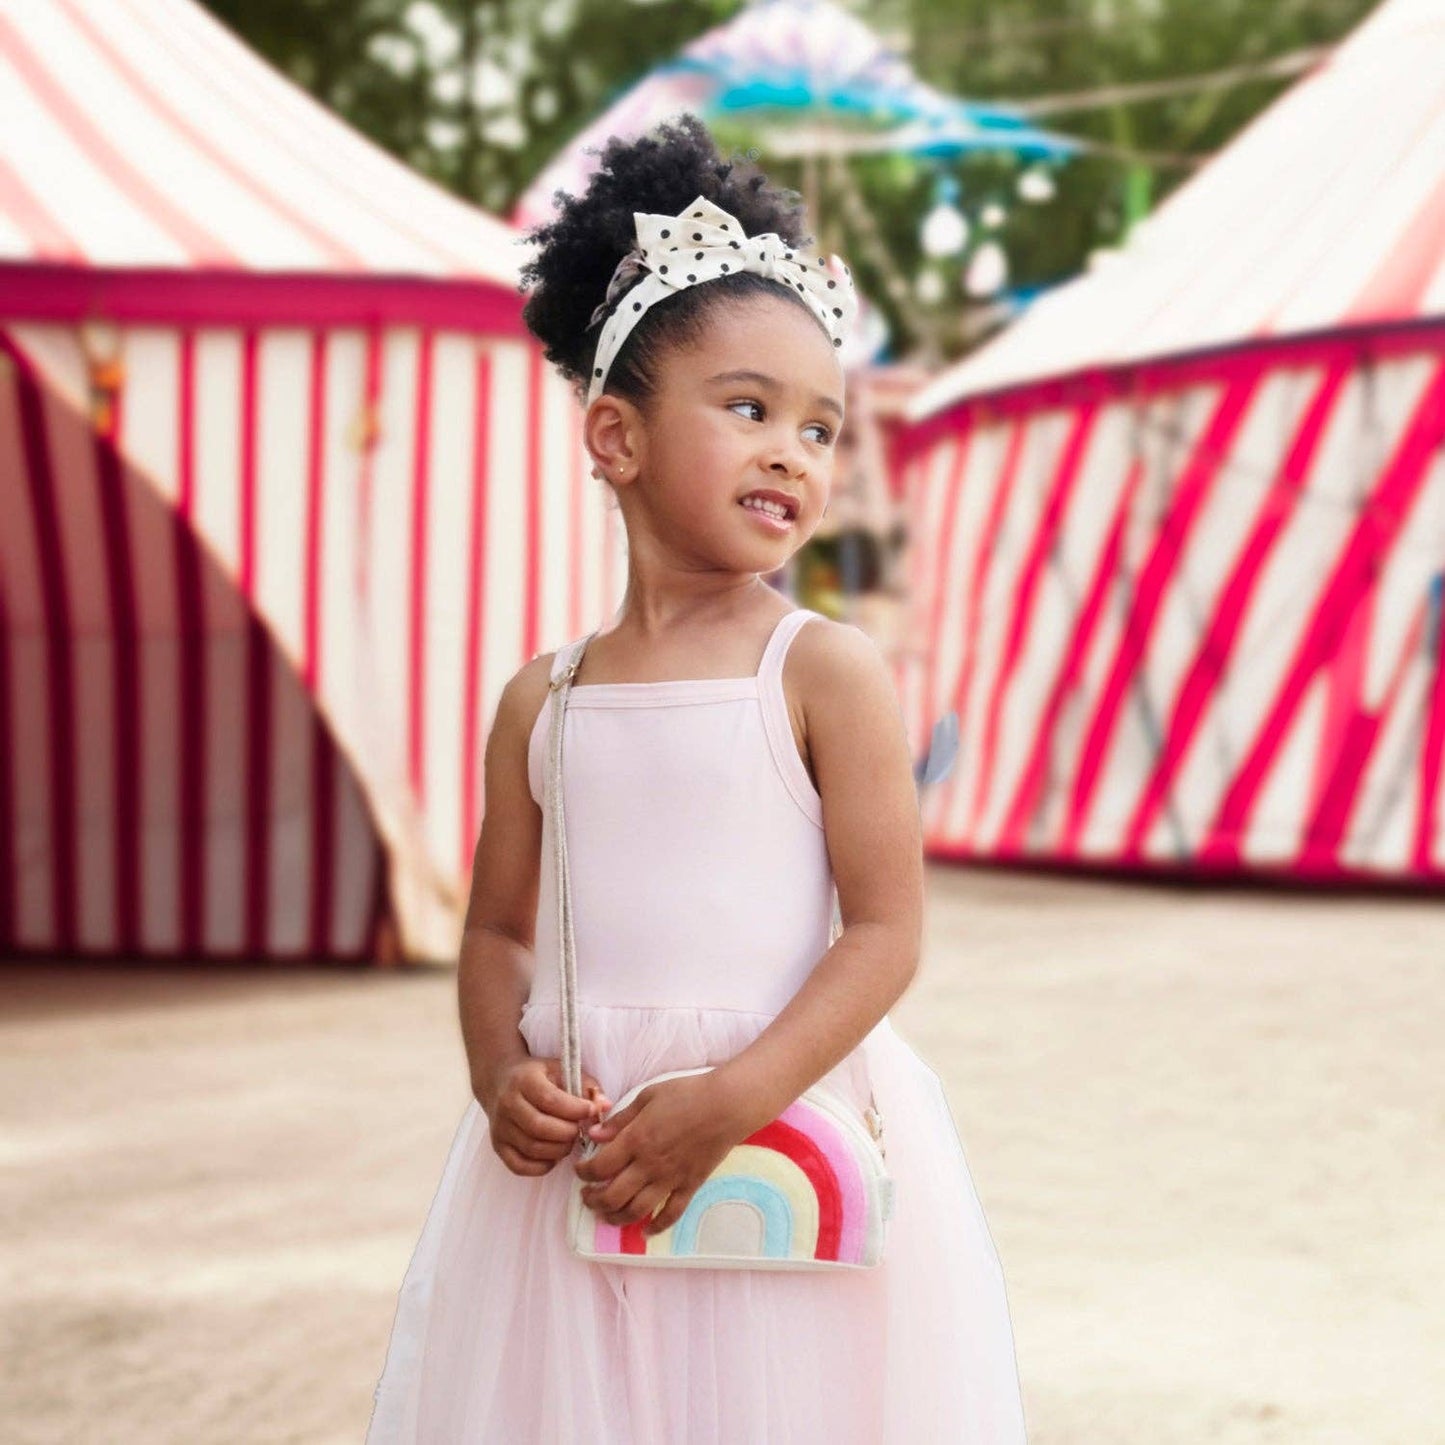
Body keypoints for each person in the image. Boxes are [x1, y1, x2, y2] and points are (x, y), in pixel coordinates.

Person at [365, 114, 1027, 1443]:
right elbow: (497, 928)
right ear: (614, 435)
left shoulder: (820, 670)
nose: (793, 449)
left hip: (769, 1129)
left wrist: (737, 1094)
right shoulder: (540, 700)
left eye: (820, 425)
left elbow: (885, 929)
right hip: (582, 1159)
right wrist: (500, 1070)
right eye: (747, 409)